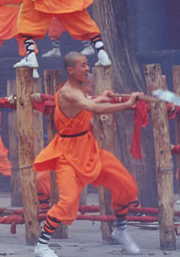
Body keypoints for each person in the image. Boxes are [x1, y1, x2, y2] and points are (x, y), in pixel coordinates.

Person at [31, 51, 142, 257]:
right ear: (70, 70)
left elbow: (86, 103)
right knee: (67, 200)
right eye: (83, 65)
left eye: (87, 64)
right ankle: (41, 246)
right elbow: (91, 108)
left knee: (125, 184)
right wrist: (127, 105)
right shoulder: (68, 92)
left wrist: (101, 97)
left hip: (89, 150)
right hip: (67, 155)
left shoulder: (78, 90)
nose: (87, 68)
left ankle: (120, 230)